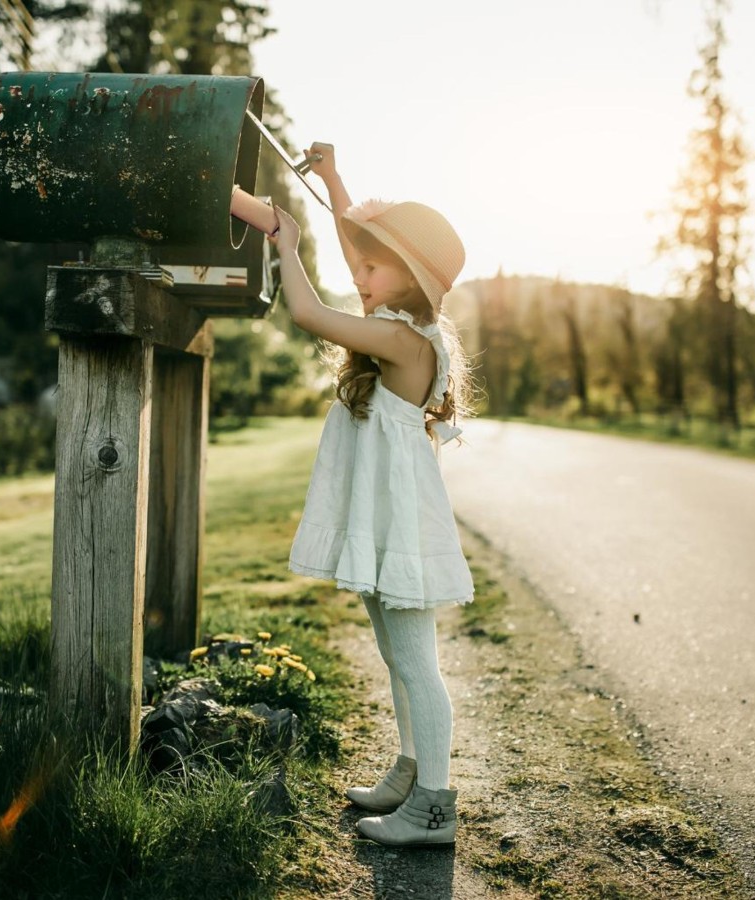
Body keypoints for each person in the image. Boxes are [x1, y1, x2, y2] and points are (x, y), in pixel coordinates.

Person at [261, 142, 475, 847]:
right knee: (394, 654)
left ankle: (434, 809)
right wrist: (331, 180)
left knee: (417, 661)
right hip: (385, 517)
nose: (359, 274)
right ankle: (412, 769)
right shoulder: (402, 325)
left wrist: (285, 241)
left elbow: (308, 313)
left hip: (401, 524)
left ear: (409, 282)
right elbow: (363, 250)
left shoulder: (404, 341)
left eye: (376, 268)